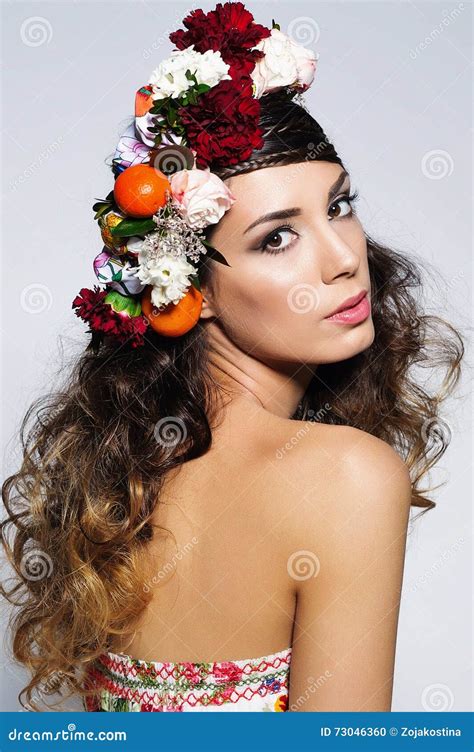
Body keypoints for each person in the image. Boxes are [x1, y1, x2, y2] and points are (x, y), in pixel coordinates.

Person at [0, 2, 464, 713]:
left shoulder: (120, 482)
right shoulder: (346, 476)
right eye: (277, 238)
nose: (345, 259)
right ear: (193, 289)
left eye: (340, 205)